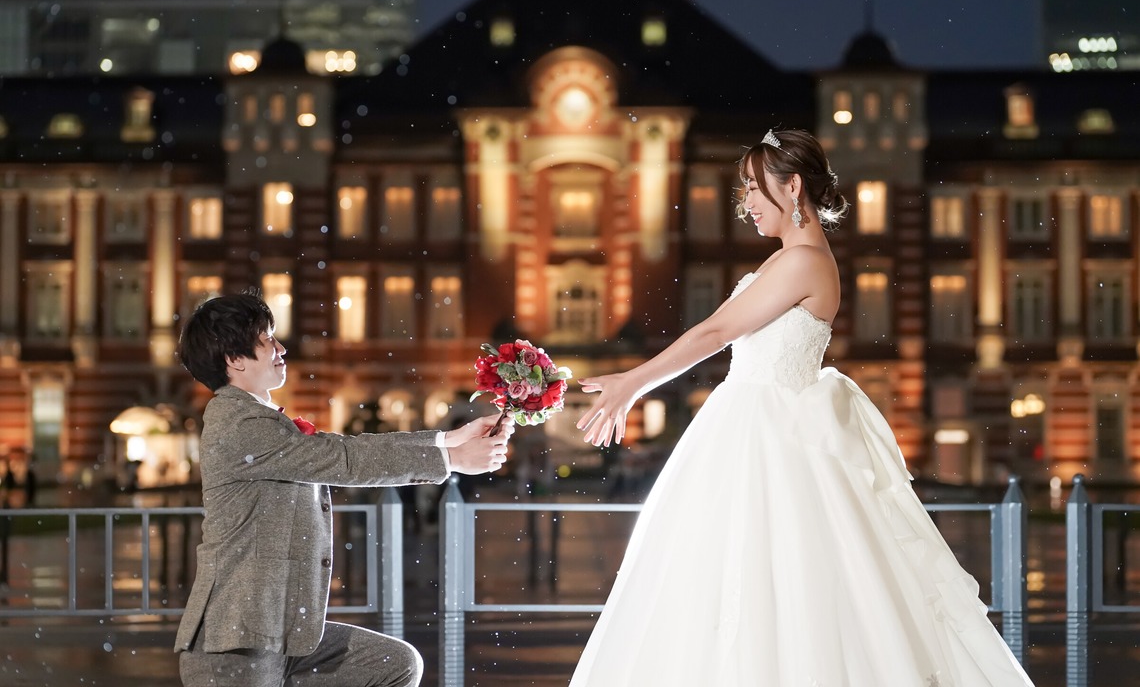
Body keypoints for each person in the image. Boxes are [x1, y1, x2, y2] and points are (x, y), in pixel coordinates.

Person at [570, 129, 1034, 686]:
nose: (744, 204)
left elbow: (716, 331)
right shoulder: (784, 261)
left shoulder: (805, 262)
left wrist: (633, 382)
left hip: (772, 439)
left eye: (752, 189)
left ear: (792, 188)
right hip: (746, 432)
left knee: (780, 584)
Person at [174, 292, 513, 687]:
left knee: (395, 664)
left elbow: (347, 448)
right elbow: (344, 460)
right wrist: (451, 461)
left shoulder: (258, 419)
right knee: (394, 664)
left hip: (282, 634)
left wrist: (446, 441)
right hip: (235, 642)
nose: (281, 348)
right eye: (268, 339)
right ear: (234, 359)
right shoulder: (239, 423)